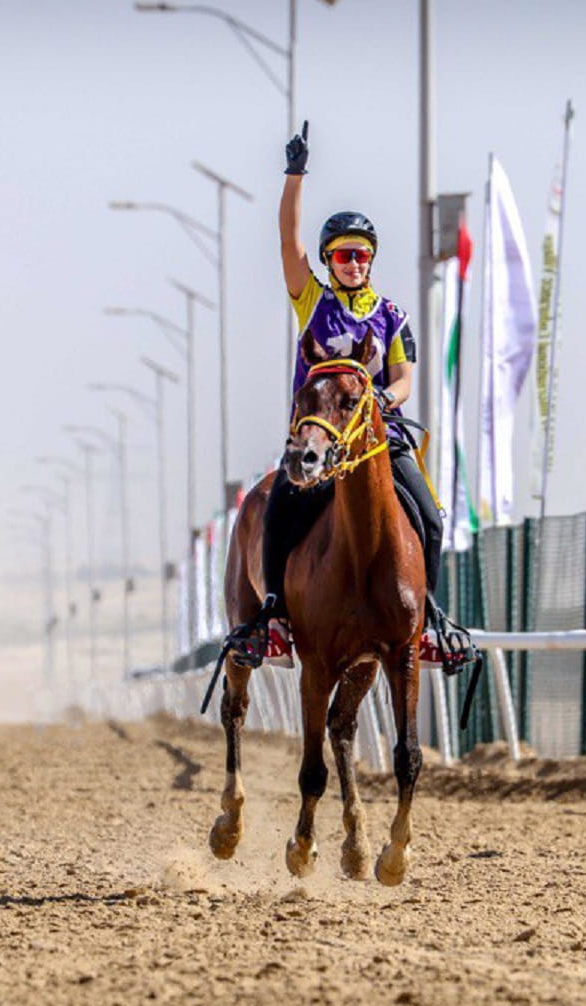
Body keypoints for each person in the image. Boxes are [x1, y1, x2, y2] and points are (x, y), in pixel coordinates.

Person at [227, 122, 473, 674]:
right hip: (319, 437)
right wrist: (294, 175)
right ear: (329, 262)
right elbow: (288, 242)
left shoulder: (392, 316)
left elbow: (406, 377)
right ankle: (271, 617)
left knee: (429, 518)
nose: (353, 264)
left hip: (375, 439)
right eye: (342, 256)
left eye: (361, 255)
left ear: (371, 260)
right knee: (278, 509)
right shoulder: (311, 298)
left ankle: (426, 620)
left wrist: (386, 397)